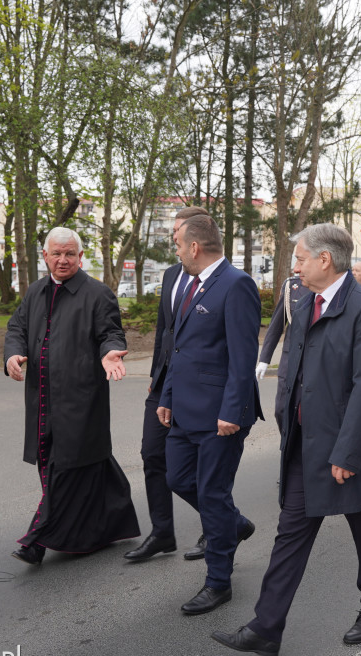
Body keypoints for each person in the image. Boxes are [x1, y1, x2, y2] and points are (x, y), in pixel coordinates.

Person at [211, 224, 361, 656]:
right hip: (305, 443)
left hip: (350, 448)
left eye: (299, 258)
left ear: (324, 260)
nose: (294, 266)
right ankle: (266, 628)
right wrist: (283, 418)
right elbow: (295, 365)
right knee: (290, 535)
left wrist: (348, 451)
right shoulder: (305, 301)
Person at [4, 226, 139, 565]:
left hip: (81, 401)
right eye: (56, 253)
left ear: (80, 257)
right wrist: (12, 354)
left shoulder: (98, 293)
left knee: (65, 469)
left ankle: (35, 540)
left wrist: (111, 352)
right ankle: (104, 526)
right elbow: (17, 328)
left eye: (69, 254)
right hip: (41, 400)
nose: (62, 260)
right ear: (45, 256)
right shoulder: (35, 292)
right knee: (71, 466)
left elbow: (111, 332)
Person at [157, 213, 262, 615]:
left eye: (180, 244)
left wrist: (233, 410)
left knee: (213, 495)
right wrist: (167, 395)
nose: (178, 251)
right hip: (184, 409)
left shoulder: (236, 285)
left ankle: (218, 581)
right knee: (178, 478)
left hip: (220, 415)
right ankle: (233, 525)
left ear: (195, 247)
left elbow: (242, 355)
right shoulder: (192, 285)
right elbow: (178, 349)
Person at [124, 207, 209, 564]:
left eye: (179, 233)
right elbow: (164, 330)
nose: (174, 240)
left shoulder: (219, 278)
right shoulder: (173, 275)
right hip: (164, 383)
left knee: (200, 466)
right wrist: (155, 375)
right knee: (152, 455)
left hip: (199, 388)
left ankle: (217, 526)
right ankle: (162, 533)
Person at [256, 274, 310, 434]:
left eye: (301, 260)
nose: (296, 268)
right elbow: (276, 324)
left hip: (316, 360)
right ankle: (288, 447)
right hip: (290, 358)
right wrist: (264, 359)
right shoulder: (292, 286)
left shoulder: (331, 284)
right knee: (281, 410)